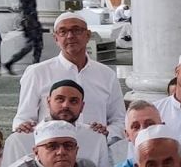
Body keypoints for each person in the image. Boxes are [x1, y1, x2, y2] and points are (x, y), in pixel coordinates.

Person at [12, 11, 123, 142]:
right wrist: (25, 127)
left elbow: (119, 120)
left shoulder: (106, 75)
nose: (70, 36)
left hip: (96, 148)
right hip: (52, 148)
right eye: (63, 32)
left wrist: (105, 133)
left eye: (76, 30)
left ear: (88, 35)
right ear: (56, 38)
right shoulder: (37, 73)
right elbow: (23, 118)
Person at [0, 80, 112, 167]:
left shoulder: (95, 137)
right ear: (48, 102)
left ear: (82, 107)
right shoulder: (20, 139)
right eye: (60, 99)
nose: (66, 105)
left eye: (73, 101)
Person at [2, 0, 43, 74]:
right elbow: (23, 7)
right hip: (29, 22)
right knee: (31, 45)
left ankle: (36, 66)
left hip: (33, 21)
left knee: (38, 45)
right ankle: (11, 62)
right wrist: (28, 21)